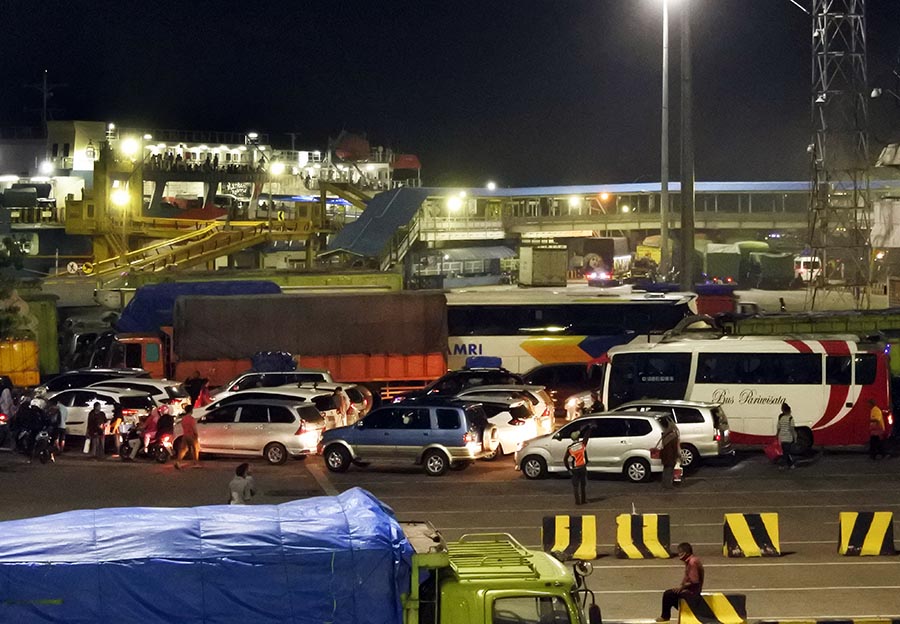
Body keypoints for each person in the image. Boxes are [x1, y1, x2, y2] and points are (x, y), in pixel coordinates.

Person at [657, 542, 704, 622]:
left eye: (680, 552)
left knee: (668, 594)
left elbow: (694, 581)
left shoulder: (692, 563)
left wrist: (682, 588)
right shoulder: (691, 560)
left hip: (692, 593)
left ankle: (665, 616)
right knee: (671, 594)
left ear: (686, 553)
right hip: (692, 590)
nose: (679, 554)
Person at [564, 429, 589, 505]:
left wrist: (569, 469)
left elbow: (565, 459)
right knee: (583, 485)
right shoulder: (582, 444)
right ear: (578, 438)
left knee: (575, 486)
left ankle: (577, 501)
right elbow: (586, 437)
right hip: (582, 467)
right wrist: (589, 429)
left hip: (575, 468)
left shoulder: (570, 448)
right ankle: (583, 500)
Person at [174, 404, 200, 470]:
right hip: (191, 435)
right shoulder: (191, 419)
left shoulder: (183, 419)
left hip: (185, 435)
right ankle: (195, 463)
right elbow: (194, 428)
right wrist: (196, 435)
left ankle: (178, 462)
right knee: (195, 449)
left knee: (183, 449)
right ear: (191, 411)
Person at [659, 416, 681, 489]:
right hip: (670, 455)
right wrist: (678, 454)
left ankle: (665, 483)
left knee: (666, 469)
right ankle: (668, 485)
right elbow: (675, 447)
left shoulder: (665, 435)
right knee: (669, 470)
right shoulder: (672, 436)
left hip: (665, 455)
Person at [777, 402, 797, 469]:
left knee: (786, 452)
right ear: (789, 411)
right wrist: (795, 437)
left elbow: (778, 428)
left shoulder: (781, 418)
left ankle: (791, 465)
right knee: (786, 453)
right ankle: (782, 465)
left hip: (781, 438)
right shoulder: (790, 419)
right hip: (788, 438)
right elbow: (792, 429)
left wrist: (777, 436)